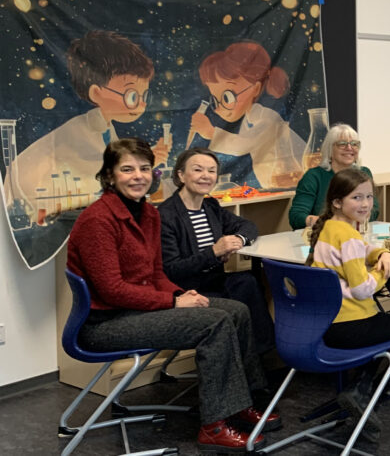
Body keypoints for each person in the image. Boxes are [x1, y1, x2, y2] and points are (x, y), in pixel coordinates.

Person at [66, 138, 278, 452]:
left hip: (139, 310)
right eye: (127, 169)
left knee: (236, 310)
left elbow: (155, 274)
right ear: (109, 175)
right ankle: (214, 426)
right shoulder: (98, 220)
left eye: (144, 169)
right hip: (104, 323)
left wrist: (181, 293)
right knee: (216, 323)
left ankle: (240, 403)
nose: (138, 176)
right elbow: (112, 289)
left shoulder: (148, 215)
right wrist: (174, 301)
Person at [306, 167, 390, 438]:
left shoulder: (330, 227)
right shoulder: (348, 235)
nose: (365, 204)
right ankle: (372, 397)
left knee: (384, 333)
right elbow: (362, 290)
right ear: (337, 202)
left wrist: (382, 252)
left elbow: (363, 248)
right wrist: (383, 271)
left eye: (369, 197)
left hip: (329, 322)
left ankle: (358, 390)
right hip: (351, 323)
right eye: (357, 198)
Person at [3, 30, 169, 218]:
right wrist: (144, 164)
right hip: (41, 210)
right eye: (132, 96)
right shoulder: (77, 131)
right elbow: (98, 172)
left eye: (144, 96)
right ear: (96, 93)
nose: (142, 104)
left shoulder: (105, 128)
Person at [158, 147, 275, 354]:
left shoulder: (210, 206)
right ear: (181, 175)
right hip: (186, 289)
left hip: (213, 279)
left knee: (248, 281)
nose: (206, 176)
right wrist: (214, 252)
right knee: (243, 294)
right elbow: (172, 269)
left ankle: (264, 352)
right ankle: (255, 357)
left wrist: (237, 239)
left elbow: (248, 226)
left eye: (211, 171)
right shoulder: (166, 215)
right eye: (198, 170)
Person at [187, 41, 304, 189]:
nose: (219, 108)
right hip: (274, 186)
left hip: (292, 183)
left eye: (227, 97)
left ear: (255, 89)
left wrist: (211, 132)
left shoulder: (267, 117)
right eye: (216, 100)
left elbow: (245, 144)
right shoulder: (249, 119)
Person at [289, 123, 378, 229]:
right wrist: (330, 223)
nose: (349, 148)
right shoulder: (314, 176)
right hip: (323, 233)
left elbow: (374, 210)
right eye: (342, 144)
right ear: (329, 149)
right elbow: (296, 217)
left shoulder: (364, 173)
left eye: (354, 144)